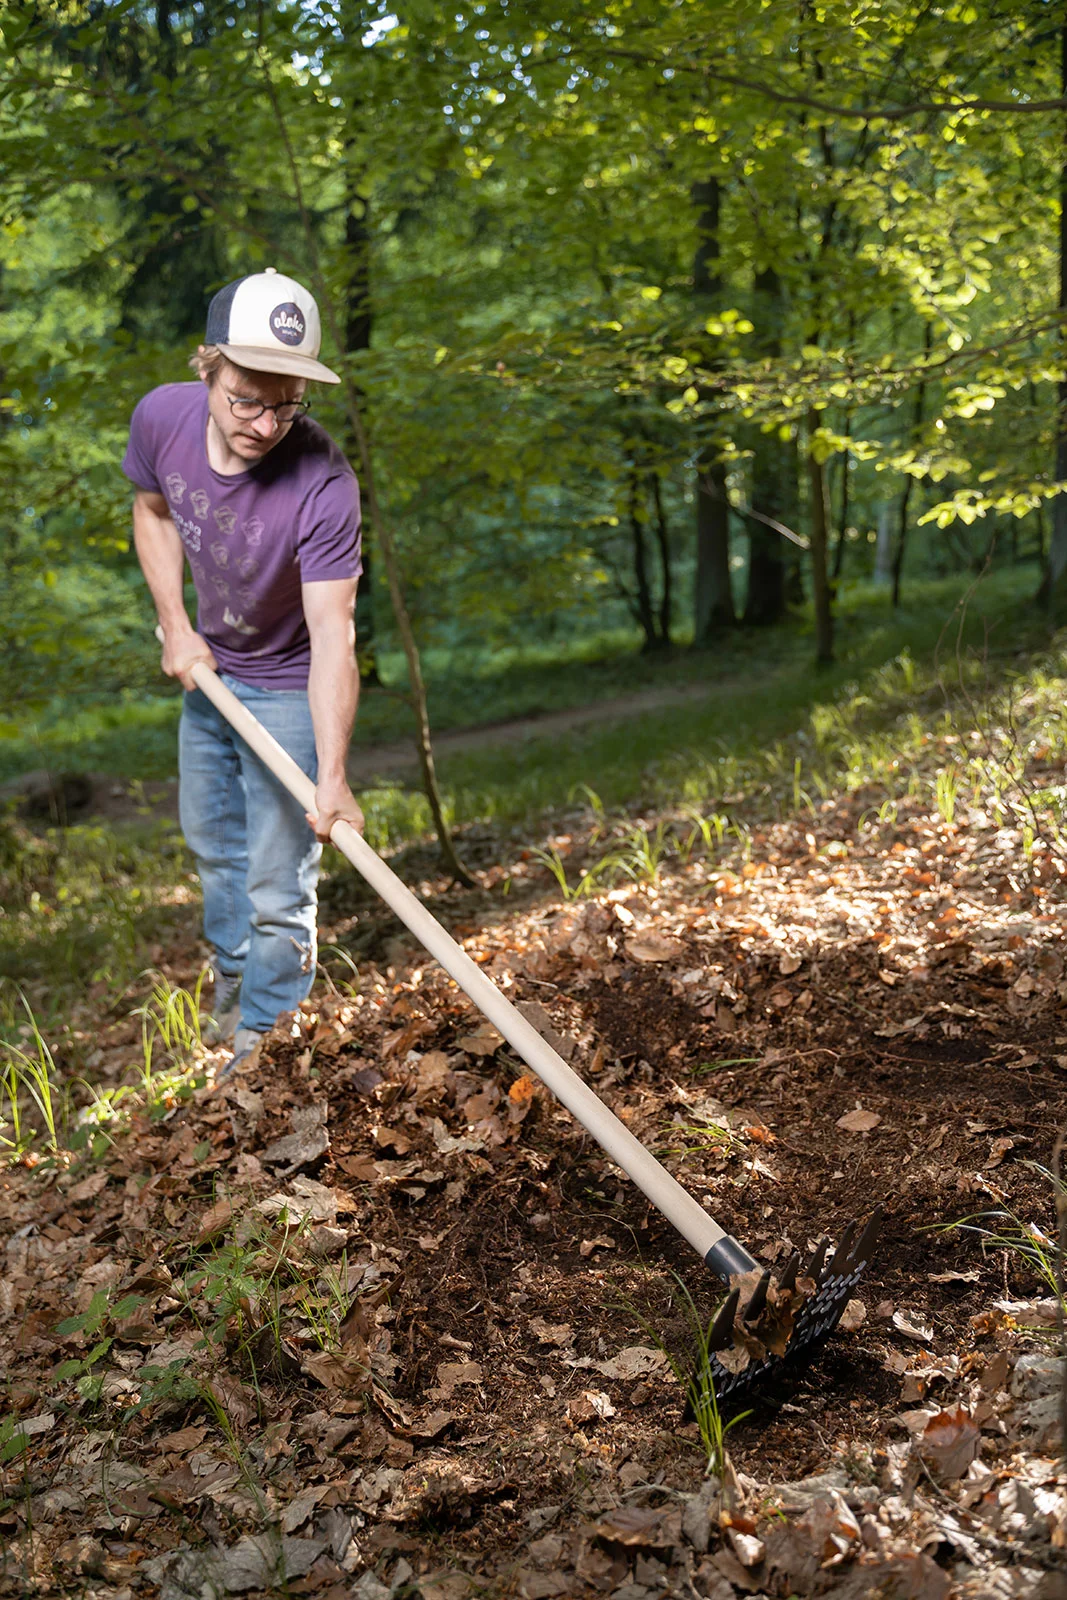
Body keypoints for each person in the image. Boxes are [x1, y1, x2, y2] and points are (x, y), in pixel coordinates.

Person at [123, 267, 365, 1073]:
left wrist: (332, 775)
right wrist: (175, 625)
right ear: (209, 367)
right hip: (211, 679)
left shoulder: (323, 482)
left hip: (290, 686)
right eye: (247, 399)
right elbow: (152, 510)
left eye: (288, 402)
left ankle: (267, 1045)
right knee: (213, 848)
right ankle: (233, 983)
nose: (266, 423)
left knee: (276, 881)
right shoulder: (162, 417)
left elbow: (334, 632)